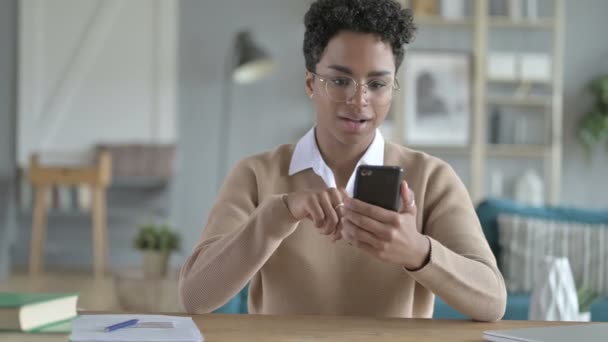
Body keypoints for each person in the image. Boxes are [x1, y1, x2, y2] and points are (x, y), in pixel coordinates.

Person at [179, 0, 506, 321]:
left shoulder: (432, 178)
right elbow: (195, 296)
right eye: (339, 81)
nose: (359, 100)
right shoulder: (256, 175)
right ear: (311, 83)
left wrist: (418, 251)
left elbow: (492, 302)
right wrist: (279, 214)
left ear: (392, 88)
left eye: (377, 84)